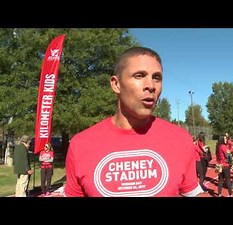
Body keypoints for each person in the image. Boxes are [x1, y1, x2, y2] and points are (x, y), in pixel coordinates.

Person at [64, 46, 203, 197]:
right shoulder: (80, 144)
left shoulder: (180, 139)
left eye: (156, 77)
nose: (150, 86)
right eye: (139, 76)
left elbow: (192, 192)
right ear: (116, 84)